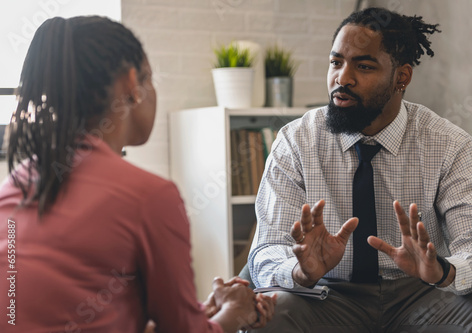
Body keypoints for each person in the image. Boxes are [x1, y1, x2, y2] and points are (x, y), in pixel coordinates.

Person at [0, 16, 276, 333]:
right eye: (150, 78)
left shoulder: (15, 183)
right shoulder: (150, 196)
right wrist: (236, 313)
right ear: (132, 84)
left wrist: (199, 311)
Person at [248, 7, 472, 333]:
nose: (343, 78)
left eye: (363, 66)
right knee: (271, 314)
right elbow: (265, 251)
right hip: (326, 295)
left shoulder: (449, 144)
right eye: (336, 62)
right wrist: (301, 271)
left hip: (422, 296)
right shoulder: (296, 142)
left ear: (401, 77)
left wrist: (441, 270)